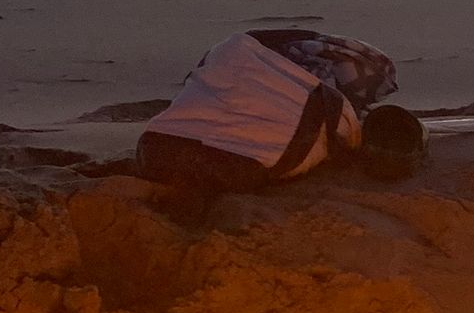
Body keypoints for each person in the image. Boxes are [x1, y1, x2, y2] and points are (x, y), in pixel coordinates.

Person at [136, 27, 424, 191]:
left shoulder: (233, 52)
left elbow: (238, 45)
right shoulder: (340, 113)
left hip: (154, 150)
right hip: (246, 168)